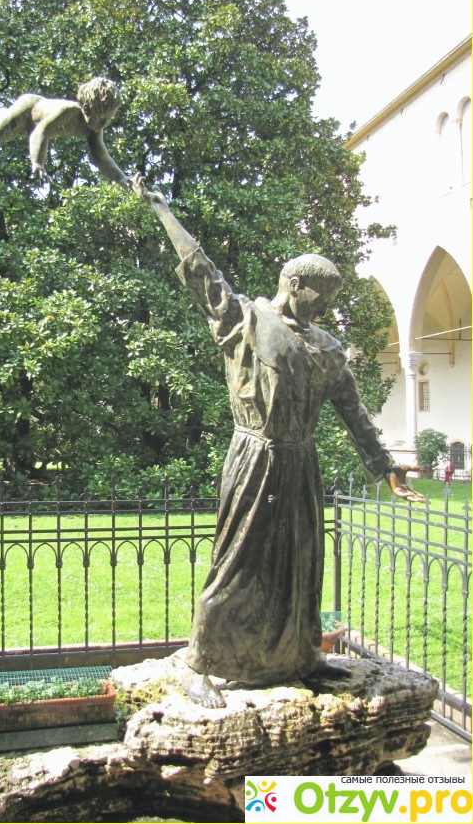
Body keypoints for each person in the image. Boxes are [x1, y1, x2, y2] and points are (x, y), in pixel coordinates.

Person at [130, 173, 424, 708]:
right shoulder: (246, 320)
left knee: (300, 564)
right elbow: (202, 272)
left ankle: (300, 656)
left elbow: (354, 412)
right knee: (239, 563)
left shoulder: (328, 348)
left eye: (330, 297)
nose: (324, 305)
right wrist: (162, 210)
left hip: (300, 463)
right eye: (320, 294)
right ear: (295, 284)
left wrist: (386, 467)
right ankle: (201, 661)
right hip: (255, 456)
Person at [0, 77, 130, 187]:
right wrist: (37, 163)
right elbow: (41, 131)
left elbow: (101, 157)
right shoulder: (68, 112)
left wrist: (122, 178)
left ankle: (3, 114)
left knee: (13, 130)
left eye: (109, 120)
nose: (104, 124)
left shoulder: (94, 129)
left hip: (33, 124)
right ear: (87, 110)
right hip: (29, 108)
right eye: (102, 119)